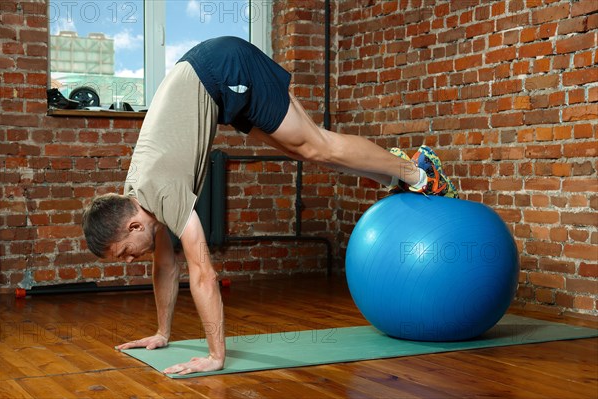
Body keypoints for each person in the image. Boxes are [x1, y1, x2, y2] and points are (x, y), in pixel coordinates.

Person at [82, 36, 458, 376]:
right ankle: (394, 174)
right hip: (211, 79)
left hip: (223, 66)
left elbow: (203, 275)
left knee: (314, 145)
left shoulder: (161, 192)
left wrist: (216, 355)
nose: (130, 261)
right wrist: (162, 333)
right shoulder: (137, 199)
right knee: (304, 152)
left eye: (124, 254)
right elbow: (165, 264)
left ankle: (419, 172)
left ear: (133, 226)